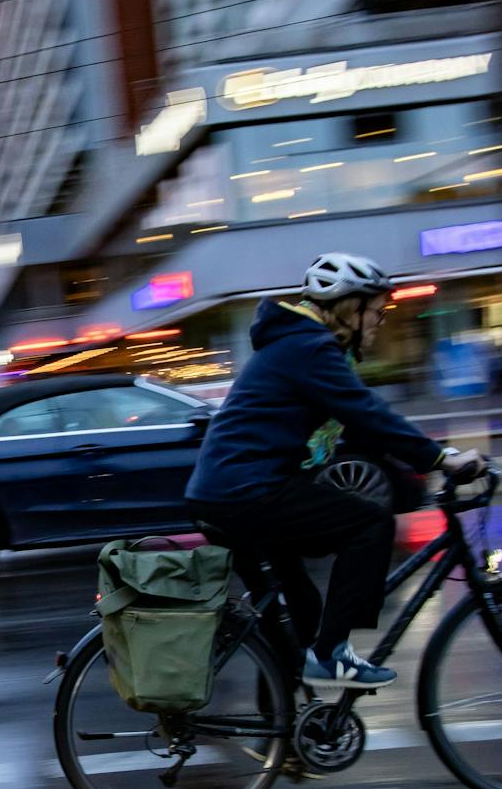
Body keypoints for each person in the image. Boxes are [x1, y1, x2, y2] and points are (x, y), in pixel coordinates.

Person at [186, 253, 485, 689]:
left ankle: (290, 739)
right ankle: (333, 655)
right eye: (377, 313)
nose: (381, 323)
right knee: (369, 524)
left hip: (229, 492)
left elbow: (353, 427)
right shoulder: (307, 345)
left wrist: (414, 467)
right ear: (351, 308)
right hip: (246, 492)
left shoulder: (298, 344)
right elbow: (366, 412)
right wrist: (440, 460)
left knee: (300, 614)